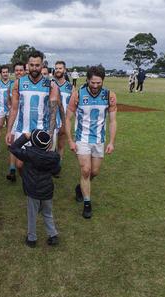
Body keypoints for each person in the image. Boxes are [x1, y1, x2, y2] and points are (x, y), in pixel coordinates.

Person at [66, 66, 117, 219]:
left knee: (94, 172)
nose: (95, 86)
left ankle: (80, 188)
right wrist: (70, 140)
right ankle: (87, 204)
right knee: (86, 170)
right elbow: (68, 118)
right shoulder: (78, 95)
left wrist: (111, 142)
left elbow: (113, 121)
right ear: (87, 80)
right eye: (92, 82)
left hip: (99, 140)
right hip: (82, 139)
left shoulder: (109, 96)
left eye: (98, 83)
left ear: (103, 81)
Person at [5, 50, 60, 181]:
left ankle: (36, 186)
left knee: (41, 164)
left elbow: (53, 111)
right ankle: (28, 181)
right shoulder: (19, 83)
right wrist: (9, 131)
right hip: (22, 130)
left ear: (42, 65)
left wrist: (51, 134)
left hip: (42, 130)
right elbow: (14, 109)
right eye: (32, 65)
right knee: (19, 164)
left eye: (37, 65)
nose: (34, 68)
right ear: (27, 65)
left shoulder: (50, 85)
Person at [9, 130, 60, 248]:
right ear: (48, 145)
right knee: (47, 212)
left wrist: (25, 137)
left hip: (32, 190)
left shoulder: (28, 154)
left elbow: (13, 147)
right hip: (47, 190)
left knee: (32, 214)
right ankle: (53, 235)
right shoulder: (53, 157)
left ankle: (32, 238)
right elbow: (57, 170)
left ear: (32, 142)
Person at [5, 61, 26, 182]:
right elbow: (9, 100)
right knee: (13, 144)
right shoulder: (12, 84)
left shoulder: (27, 83)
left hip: (26, 119)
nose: (18, 72)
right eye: (16, 70)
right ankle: (12, 169)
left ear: (24, 71)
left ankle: (26, 167)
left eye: (21, 70)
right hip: (15, 117)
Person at [53, 61, 73, 162]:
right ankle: (50, 165)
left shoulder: (70, 87)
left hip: (63, 120)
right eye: (56, 68)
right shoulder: (50, 84)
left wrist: (67, 121)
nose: (58, 70)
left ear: (64, 70)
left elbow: (72, 106)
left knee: (61, 145)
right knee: (51, 145)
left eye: (60, 68)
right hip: (51, 119)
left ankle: (58, 165)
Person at [0, 65, 12, 154]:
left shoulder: (12, 83)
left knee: (9, 127)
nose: (5, 74)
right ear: (0, 74)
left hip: (10, 109)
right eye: (3, 72)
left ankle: (9, 144)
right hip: (0, 109)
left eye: (6, 72)